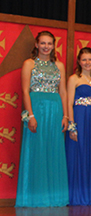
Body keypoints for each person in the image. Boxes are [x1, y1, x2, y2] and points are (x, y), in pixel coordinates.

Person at [16, 31, 70, 207]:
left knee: (53, 151)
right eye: (43, 43)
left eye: (49, 43)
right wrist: (30, 115)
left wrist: (65, 115)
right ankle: (34, 197)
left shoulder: (59, 65)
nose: (46, 46)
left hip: (55, 109)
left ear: (54, 45)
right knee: (36, 150)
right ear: (37, 44)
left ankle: (54, 197)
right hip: (36, 108)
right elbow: (25, 91)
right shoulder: (29, 64)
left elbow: (63, 92)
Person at [65, 47, 91, 205]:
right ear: (79, 62)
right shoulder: (74, 79)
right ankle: (78, 195)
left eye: (90, 59)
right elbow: (69, 103)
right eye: (84, 60)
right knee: (79, 153)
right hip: (79, 117)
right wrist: (72, 126)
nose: (87, 62)